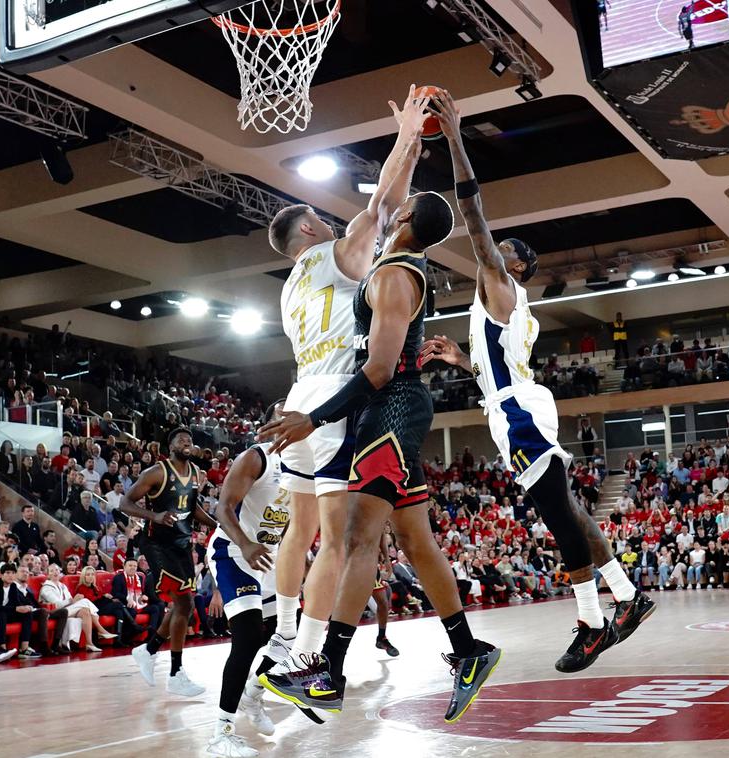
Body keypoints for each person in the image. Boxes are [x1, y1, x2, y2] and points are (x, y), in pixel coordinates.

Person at [261, 117, 498, 721]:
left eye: (403, 211)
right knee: (415, 541)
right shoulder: (385, 268)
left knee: (356, 539)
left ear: (407, 222)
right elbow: (386, 201)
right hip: (388, 406)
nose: (391, 213)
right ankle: (469, 651)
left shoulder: (392, 272)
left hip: (385, 405)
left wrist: (313, 419)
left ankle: (326, 672)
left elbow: (382, 368)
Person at [418, 90, 650, 673]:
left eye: (504, 250)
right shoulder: (507, 307)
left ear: (517, 265)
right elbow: (503, 367)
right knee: (566, 508)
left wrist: (452, 139)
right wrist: (463, 363)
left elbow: (473, 216)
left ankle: (591, 623)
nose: (493, 252)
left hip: (516, 411)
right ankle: (627, 594)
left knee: (555, 515)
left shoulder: (499, 282)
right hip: (514, 399)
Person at [263, 85, 427, 706]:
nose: (331, 219)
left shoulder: (287, 290)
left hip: (296, 395)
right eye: (320, 215)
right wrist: (409, 137)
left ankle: (283, 634)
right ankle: (308, 659)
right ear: (309, 226)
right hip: (328, 402)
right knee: (337, 539)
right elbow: (386, 201)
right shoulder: (336, 253)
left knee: (297, 530)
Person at [204, 438, 288, 757]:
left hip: (271, 558)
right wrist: (246, 544)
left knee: (292, 634)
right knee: (249, 636)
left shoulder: (307, 465)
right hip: (235, 550)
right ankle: (221, 734)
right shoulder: (258, 457)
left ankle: (252, 693)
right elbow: (222, 509)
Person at [119, 428, 216, 697]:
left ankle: (148, 650)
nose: (187, 442)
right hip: (157, 544)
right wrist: (155, 515)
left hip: (183, 543)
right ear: (170, 446)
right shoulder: (156, 473)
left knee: (186, 604)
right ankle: (175, 673)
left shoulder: (198, 474)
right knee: (183, 602)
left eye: (190, 440)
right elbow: (125, 503)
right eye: (181, 439)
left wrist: (217, 525)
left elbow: (194, 508)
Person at [38, 563, 116, 651]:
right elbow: (57, 604)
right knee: (85, 601)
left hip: (66, 610)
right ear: (48, 574)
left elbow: (69, 600)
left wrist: (73, 601)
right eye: (52, 571)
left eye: (57, 570)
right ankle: (100, 629)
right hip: (55, 612)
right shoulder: (46, 588)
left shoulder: (62, 586)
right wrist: (72, 601)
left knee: (85, 611)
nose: (55, 572)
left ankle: (89, 643)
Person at [0, 563, 43, 659]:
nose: (10, 575)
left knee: (27, 614)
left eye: (13, 573)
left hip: (6, 612)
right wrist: (16, 609)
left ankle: (24, 648)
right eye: (7, 573)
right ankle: (2, 648)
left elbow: (16, 604)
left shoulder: (13, 586)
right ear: (1, 574)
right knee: (1, 614)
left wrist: (25, 608)